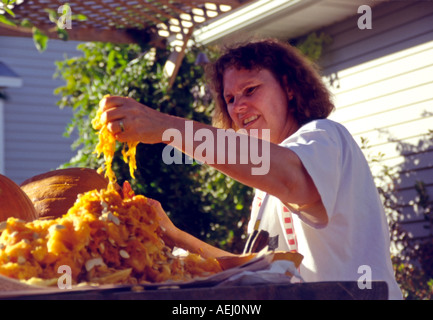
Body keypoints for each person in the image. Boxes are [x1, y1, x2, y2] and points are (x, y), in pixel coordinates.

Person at [99, 38, 402, 299]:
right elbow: (252, 269)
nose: (237, 107)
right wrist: (170, 233)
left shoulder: (324, 137)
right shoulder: (265, 185)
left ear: (289, 87)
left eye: (250, 90)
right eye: (229, 98)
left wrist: (165, 127)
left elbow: (291, 179)